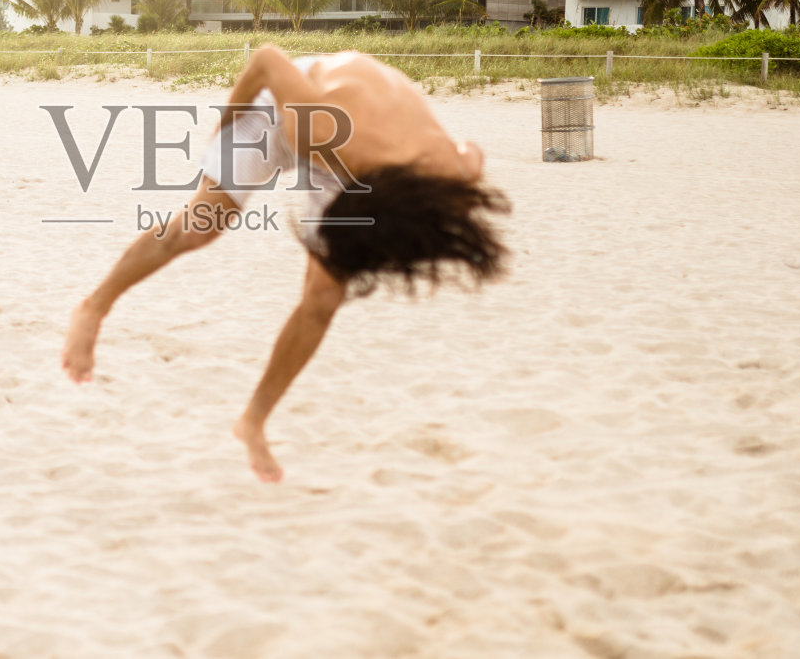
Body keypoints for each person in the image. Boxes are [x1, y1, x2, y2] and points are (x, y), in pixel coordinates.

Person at [62, 46, 509, 482]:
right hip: (283, 108)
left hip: (371, 162)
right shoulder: (312, 127)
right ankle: (95, 306)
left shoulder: (451, 172)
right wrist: (224, 127)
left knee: (325, 296)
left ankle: (252, 420)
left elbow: (472, 152)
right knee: (201, 226)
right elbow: (266, 59)